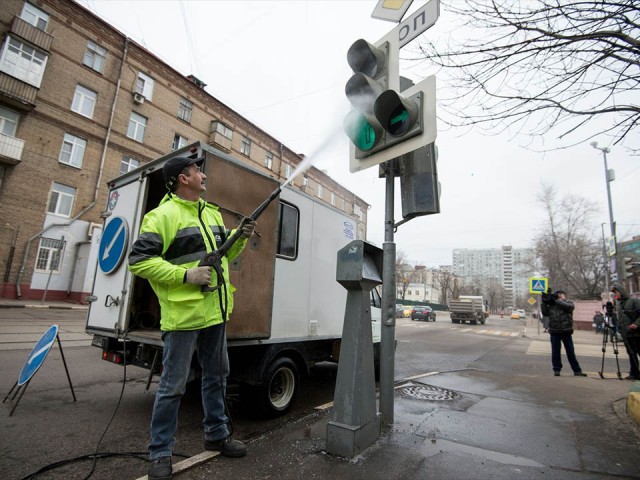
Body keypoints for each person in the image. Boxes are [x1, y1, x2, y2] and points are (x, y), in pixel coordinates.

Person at [128, 156, 256, 480]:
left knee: (217, 377)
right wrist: (187, 276)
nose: (202, 175)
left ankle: (217, 435)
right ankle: (159, 454)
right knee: (172, 387)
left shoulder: (210, 213)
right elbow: (139, 261)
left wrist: (239, 237)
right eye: (197, 170)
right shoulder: (162, 216)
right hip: (182, 319)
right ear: (183, 179)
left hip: (214, 313)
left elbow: (224, 256)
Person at [540, 289, 587, 377]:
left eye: (561, 294)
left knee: (570, 352)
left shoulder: (569, 303)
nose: (559, 296)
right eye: (557, 295)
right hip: (554, 331)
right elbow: (545, 313)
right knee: (555, 352)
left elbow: (569, 308)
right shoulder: (551, 305)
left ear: (565, 296)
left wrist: (557, 301)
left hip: (566, 331)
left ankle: (577, 370)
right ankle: (556, 370)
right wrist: (544, 302)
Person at [611, 283, 640, 381]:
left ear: (621, 292)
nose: (615, 295)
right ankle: (634, 373)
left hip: (637, 333)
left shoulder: (634, 301)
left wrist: (636, 324)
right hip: (626, 333)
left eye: (616, 292)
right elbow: (620, 319)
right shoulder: (619, 304)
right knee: (631, 354)